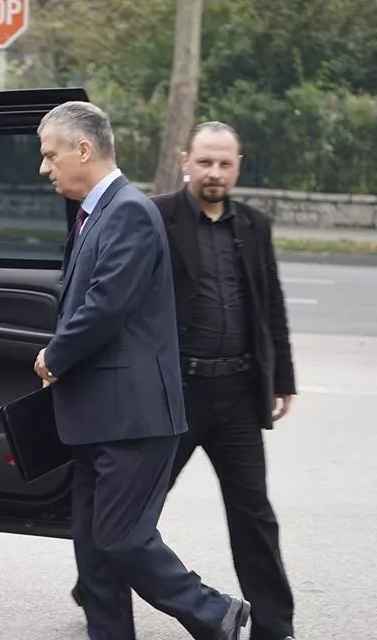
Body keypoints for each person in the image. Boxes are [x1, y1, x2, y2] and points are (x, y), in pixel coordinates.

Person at [68, 121, 298, 640]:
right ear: (184, 161)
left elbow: (271, 305)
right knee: (125, 514)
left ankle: (273, 623)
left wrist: (281, 376)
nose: (215, 172)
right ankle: (96, 591)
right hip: (173, 393)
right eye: (205, 162)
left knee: (254, 513)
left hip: (237, 394)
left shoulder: (254, 225)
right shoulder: (154, 215)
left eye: (225, 164)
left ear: (237, 167)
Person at [33, 102, 250, 640]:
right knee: (94, 552)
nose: (44, 167)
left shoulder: (128, 210)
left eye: (50, 155)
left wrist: (55, 355)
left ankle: (215, 612)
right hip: (97, 417)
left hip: (133, 417)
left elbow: (107, 304)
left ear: (84, 150)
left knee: (122, 538)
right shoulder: (96, 213)